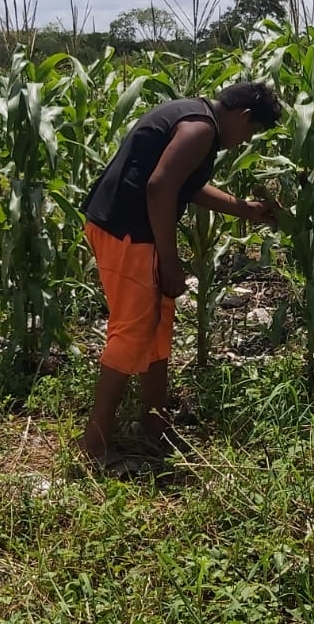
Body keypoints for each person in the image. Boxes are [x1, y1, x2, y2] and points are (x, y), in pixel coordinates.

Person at [79, 80, 283, 475]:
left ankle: (155, 426)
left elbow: (185, 186)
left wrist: (247, 210)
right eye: (251, 131)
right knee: (134, 331)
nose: (244, 140)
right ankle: (94, 444)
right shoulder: (200, 128)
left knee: (156, 328)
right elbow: (160, 188)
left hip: (135, 232)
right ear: (243, 117)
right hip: (129, 233)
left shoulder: (193, 117)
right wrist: (170, 262)